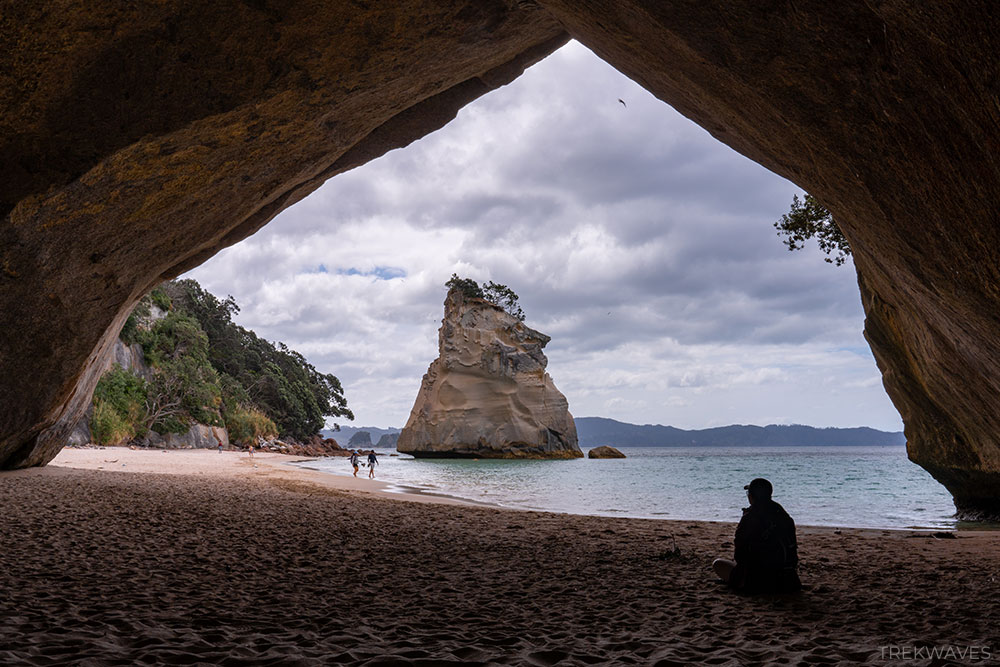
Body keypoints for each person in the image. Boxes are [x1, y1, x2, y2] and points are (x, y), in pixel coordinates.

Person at [713, 478, 801, 594]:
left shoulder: (751, 515)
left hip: (758, 579)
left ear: (752, 496)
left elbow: (740, 553)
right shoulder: (783, 515)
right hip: (788, 579)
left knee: (718, 564)